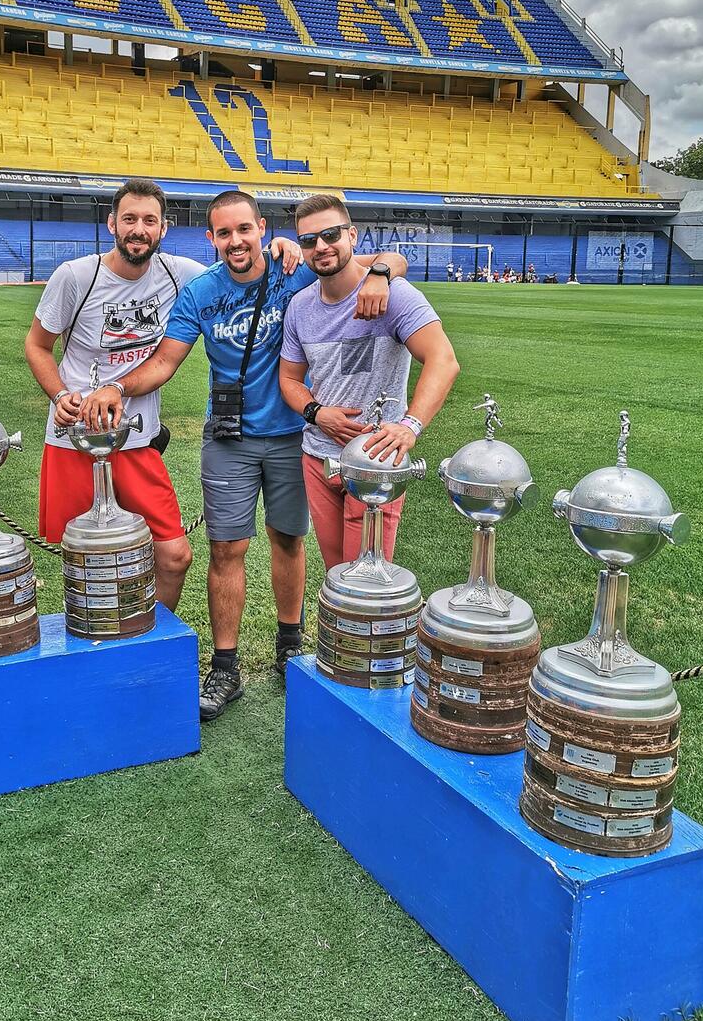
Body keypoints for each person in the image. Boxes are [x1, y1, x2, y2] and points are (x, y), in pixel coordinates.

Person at [78, 190, 407, 721]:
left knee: (287, 540)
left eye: (244, 230)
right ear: (211, 238)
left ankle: (289, 644)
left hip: (292, 437)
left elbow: (388, 259)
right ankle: (226, 666)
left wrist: (380, 275)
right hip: (229, 439)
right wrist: (118, 386)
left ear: (262, 228)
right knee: (226, 549)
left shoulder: (293, 270)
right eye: (223, 233)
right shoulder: (201, 293)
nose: (236, 241)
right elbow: (164, 362)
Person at [23, 178, 302, 610]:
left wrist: (282, 246)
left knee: (173, 556)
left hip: (137, 437)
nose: (139, 229)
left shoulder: (181, 275)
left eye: (149, 220)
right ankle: (93, 642)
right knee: (84, 556)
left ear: (163, 228)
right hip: (75, 437)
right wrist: (60, 396)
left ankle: (149, 639)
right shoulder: (75, 277)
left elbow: (236, 266)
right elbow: (37, 346)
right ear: (112, 223)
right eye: (130, 219)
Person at [278, 195, 460, 571]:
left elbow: (443, 360)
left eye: (331, 235)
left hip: (376, 460)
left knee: (370, 578)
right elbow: (289, 379)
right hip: (318, 457)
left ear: (352, 235)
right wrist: (316, 412)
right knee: (335, 574)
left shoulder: (395, 294)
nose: (321, 247)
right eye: (309, 240)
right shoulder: (299, 307)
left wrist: (409, 426)